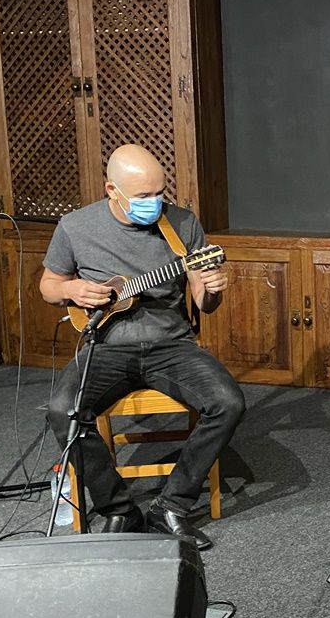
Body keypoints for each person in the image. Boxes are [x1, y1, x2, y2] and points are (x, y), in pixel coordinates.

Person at [40, 144, 244, 549]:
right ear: (111, 190)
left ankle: (172, 506)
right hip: (105, 345)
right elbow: (48, 286)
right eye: (143, 197)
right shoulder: (76, 227)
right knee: (62, 410)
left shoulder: (182, 224)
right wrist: (71, 288)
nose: (154, 204)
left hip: (171, 344)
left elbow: (205, 301)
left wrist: (214, 289)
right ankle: (119, 510)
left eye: (159, 193)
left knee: (229, 403)